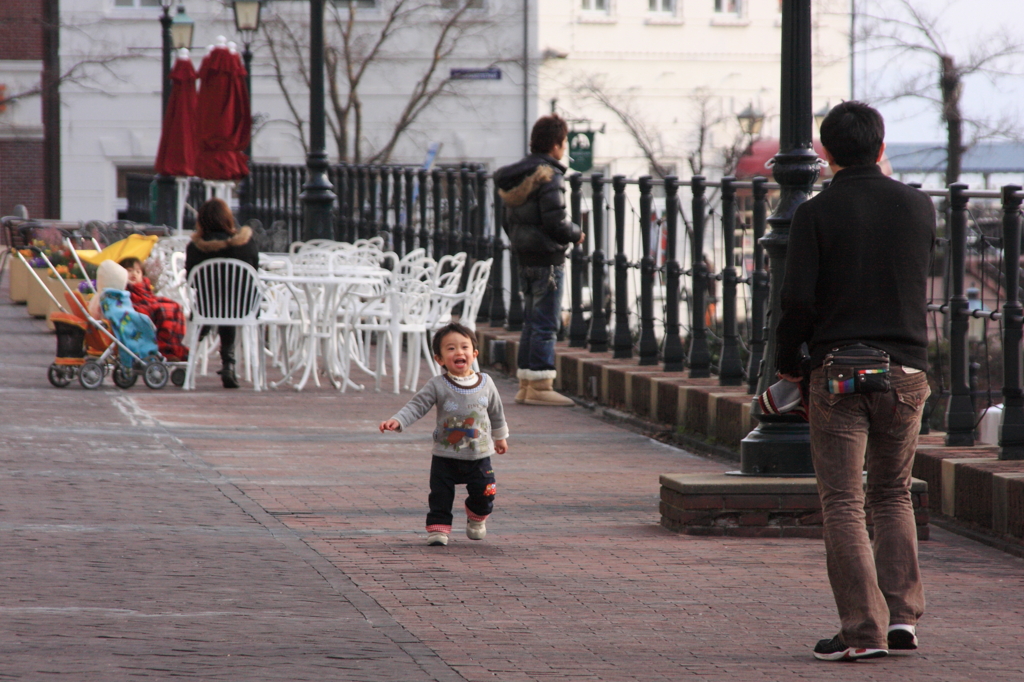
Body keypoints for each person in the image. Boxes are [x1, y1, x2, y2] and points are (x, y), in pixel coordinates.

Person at [774, 101, 935, 661]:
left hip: (841, 372)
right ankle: (904, 620)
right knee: (893, 494)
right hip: (906, 372)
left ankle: (863, 630)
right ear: (881, 145)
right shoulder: (920, 208)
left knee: (843, 502)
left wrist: (787, 361)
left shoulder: (815, 214)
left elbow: (796, 300)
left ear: (824, 153)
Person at [379, 323, 509, 547]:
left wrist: (500, 437)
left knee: (485, 492)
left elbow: (496, 411)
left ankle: (477, 516)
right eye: (450, 349)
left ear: (474, 354)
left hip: (479, 455)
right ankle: (438, 528)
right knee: (440, 494)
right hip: (445, 454)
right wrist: (398, 420)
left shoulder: (486, 383)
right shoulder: (437, 385)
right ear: (439, 359)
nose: (459, 352)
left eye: (464, 347)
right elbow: (416, 405)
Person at [495, 114, 584, 407]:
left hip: (525, 257)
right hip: (548, 259)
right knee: (546, 322)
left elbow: (507, 221)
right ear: (557, 145)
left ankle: (526, 383)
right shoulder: (549, 175)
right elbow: (556, 220)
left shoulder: (516, 175)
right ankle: (541, 385)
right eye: (564, 143)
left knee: (531, 322)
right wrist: (576, 234)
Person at [184, 197, 259, 389]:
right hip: (244, 307)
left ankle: (186, 357)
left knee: (214, 304)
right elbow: (255, 274)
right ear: (228, 218)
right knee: (228, 303)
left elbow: (190, 281)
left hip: (206, 307)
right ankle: (229, 363)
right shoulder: (246, 244)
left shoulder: (195, 248)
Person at [119, 257, 189, 362]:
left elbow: (149, 298)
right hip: (134, 307)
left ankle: (170, 347)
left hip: (148, 302)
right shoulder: (122, 288)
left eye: (138, 271)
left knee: (175, 307)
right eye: (129, 270)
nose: (134, 274)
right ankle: (161, 348)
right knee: (161, 310)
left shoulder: (144, 287)